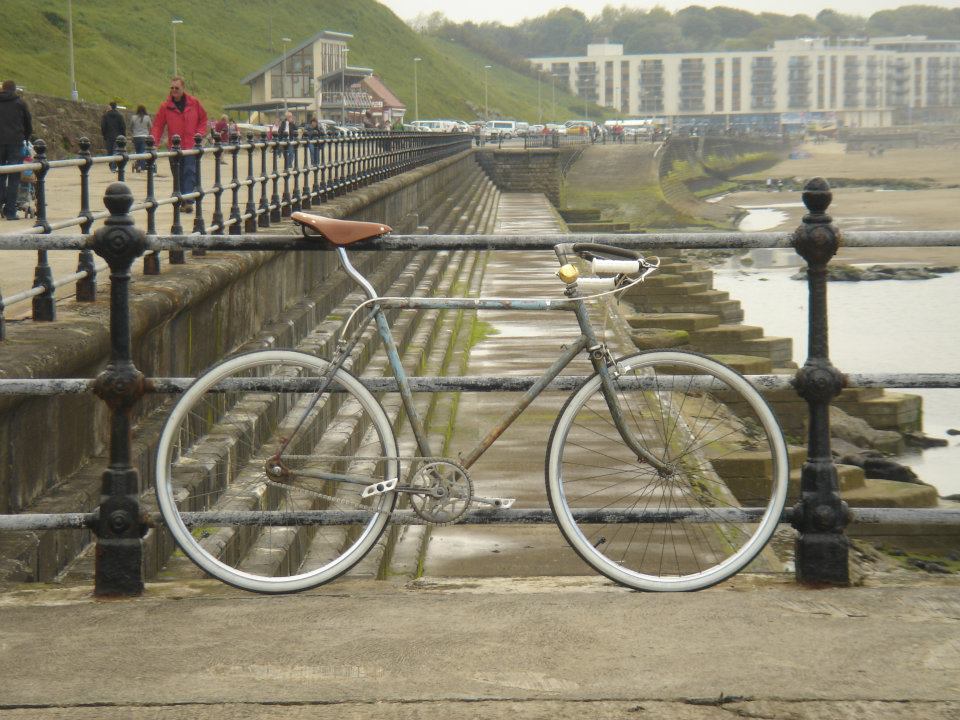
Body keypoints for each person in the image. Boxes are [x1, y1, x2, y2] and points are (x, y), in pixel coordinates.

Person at [151, 76, 208, 213]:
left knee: (189, 172)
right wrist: (154, 142)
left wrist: (199, 134)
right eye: (172, 88)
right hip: (174, 147)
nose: (174, 90)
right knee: (177, 174)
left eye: (177, 88)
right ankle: (182, 200)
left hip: (190, 146)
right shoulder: (165, 106)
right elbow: (158, 126)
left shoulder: (194, 103)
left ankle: (188, 201)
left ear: (183, 88)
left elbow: (203, 119)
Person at [0, 79, 32, 221]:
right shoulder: (20, 103)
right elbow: (28, 123)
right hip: (15, 142)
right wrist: (26, 137)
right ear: (14, 90)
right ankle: (10, 211)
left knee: (1, 175)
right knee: (14, 178)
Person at [101, 101, 125, 172]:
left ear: (110, 106)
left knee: (110, 151)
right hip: (118, 137)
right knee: (116, 151)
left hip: (108, 136)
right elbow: (123, 127)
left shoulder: (105, 116)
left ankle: (111, 166)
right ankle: (114, 166)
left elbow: (103, 126)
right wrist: (123, 136)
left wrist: (104, 135)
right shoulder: (120, 115)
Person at [129, 105, 152, 172]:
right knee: (143, 152)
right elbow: (151, 126)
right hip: (145, 136)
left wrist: (133, 132)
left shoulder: (133, 117)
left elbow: (131, 127)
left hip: (136, 137)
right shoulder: (147, 118)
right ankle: (142, 166)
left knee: (138, 151)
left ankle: (138, 164)